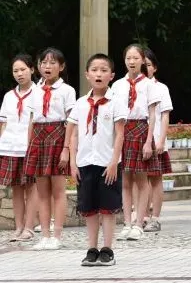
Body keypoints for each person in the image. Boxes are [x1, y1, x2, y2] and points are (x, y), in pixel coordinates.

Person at [68, 53, 126, 267]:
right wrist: (73, 162)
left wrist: (114, 162)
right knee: (89, 208)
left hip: (107, 163)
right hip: (85, 162)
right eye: (94, 70)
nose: (98, 73)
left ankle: (108, 249)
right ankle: (91, 248)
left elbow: (119, 134)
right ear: (87, 74)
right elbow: (74, 133)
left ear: (111, 75)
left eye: (103, 70)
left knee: (107, 208)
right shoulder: (80, 104)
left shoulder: (116, 103)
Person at [25, 47, 76, 250]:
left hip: (58, 135)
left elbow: (72, 121)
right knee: (42, 191)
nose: (47, 66)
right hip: (38, 137)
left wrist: (67, 148)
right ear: (38, 66)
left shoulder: (67, 90)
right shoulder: (34, 90)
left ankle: (57, 235)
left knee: (58, 190)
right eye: (44, 62)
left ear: (61, 67)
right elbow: (31, 119)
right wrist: (29, 146)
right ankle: (44, 235)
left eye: (53, 62)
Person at [110, 45, 159, 242]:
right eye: (128, 58)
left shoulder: (149, 85)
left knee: (141, 179)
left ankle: (140, 223)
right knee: (126, 180)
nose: (131, 61)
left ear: (142, 60)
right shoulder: (117, 86)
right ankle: (127, 223)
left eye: (135, 58)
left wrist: (148, 141)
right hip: (123, 130)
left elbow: (153, 115)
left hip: (141, 129)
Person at [0, 54, 38, 243]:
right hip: (10, 147)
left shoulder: (39, 93)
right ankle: (19, 226)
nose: (19, 74)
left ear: (32, 70)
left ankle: (30, 227)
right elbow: (3, 123)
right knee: (16, 188)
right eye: (16, 71)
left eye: (23, 69)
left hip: (29, 147)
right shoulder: (8, 96)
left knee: (31, 187)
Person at [143, 49, 172, 232]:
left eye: (147, 64)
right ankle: (142, 216)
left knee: (155, 179)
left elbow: (165, 115)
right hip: (136, 139)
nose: (144, 68)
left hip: (155, 139)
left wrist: (161, 140)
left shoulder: (161, 88)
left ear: (154, 68)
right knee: (139, 180)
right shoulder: (132, 87)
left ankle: (155, 217)